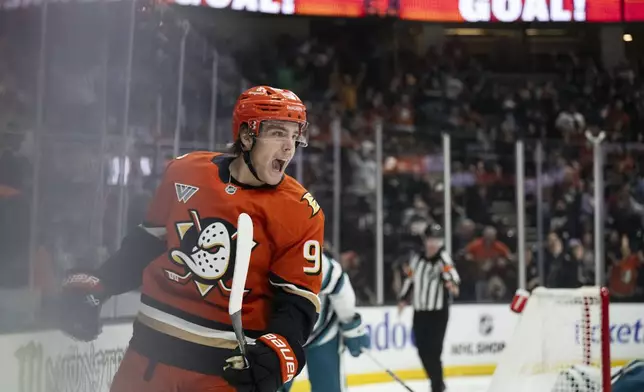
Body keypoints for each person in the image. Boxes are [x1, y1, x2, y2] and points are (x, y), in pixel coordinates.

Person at [57, 86, 326, 392]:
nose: (289, 148)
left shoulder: (301, 211)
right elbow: (147, 242)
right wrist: (101, 283)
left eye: (294, 135)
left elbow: (297, 301)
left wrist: (280, 350)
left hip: (226, 376)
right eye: (278, 133)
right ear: (247, 136)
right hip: (147, 361)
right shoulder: (185, 172)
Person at [279, 246, 370, 392]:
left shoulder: (312, 259)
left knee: (328, 387)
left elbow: (340, 285)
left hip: (323, 331)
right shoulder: (262, 258)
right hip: (283, 335)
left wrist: (351, 326)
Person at [397, 225, 460, 392]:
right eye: (430, 240)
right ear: (425, 241)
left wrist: (451, 284)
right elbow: (410, 280)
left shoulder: (443, 258)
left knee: (434, 350)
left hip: (438, 312)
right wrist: (403, 299)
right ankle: (437, 381)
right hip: (420, 311)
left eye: (436, 240)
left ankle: (437, 386)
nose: (433, 244)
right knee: (422, 349)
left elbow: (453, 276)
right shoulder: (417, 258)